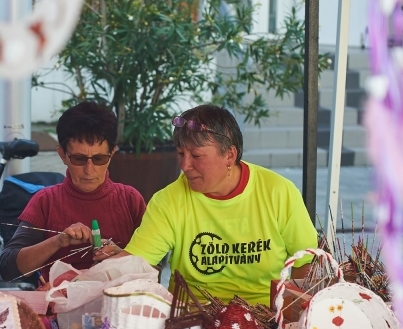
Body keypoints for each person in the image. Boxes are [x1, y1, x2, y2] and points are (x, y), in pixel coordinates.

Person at [123, 104, 316, 306]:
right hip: (193, 319)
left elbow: (307, 260)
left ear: (229, 156)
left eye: (196, 156)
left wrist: (288, 312)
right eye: (180, 153)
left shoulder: (278, 192)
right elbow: (137, 266)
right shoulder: (168, 201)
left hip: (265, 313)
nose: (184, 165)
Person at [0, 101, 146, 283]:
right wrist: (58, 241)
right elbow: (8, 268)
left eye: (99, 159)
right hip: (60, 306)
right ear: (62, 155)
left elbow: (155, 268)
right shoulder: (46, 201)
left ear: (112, 154)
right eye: (79, 158)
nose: (89, 170)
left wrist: (122, 257)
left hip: (118, 306)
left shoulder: (130, 200)